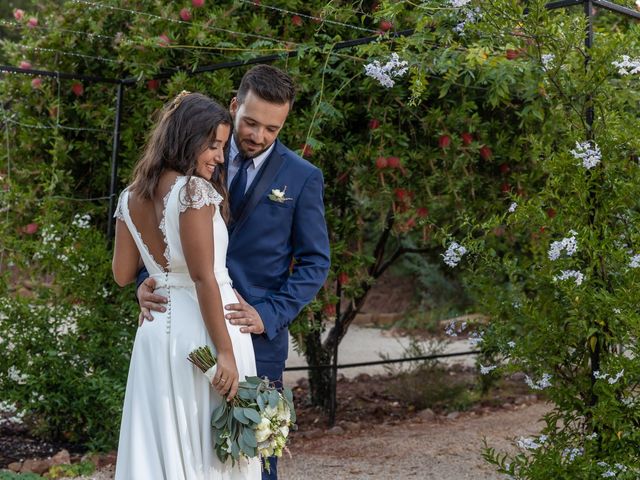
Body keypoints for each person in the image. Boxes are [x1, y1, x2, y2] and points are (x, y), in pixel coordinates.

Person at [137, 65, 331, 480]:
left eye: (272, 129)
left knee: (253, 459)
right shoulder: (198, 160)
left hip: (256, 342)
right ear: (233, 107)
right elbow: (159, 227)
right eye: (251, 122)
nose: (258, 136)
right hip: (187, 334)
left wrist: (270, 314)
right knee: (190, 451)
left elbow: (316, 261)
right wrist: (146, 283)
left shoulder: (302, 178)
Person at [112, 91, 261, 479]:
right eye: (212, 145)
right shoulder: (193, 192)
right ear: (186, 140)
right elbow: (202, 277)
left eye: (223, 146)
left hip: (156, 336)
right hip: (202, 334)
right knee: (207, 449)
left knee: (160, 443)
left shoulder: (130, 198)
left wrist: (149, 285)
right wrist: (225, 354)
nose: (219, 156)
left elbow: (123, 273)